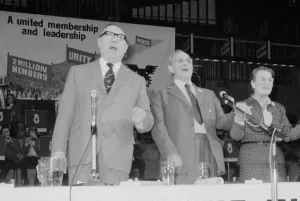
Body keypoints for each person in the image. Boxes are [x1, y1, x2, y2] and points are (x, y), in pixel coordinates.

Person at [51, 24, 154, 185]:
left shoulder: (137, 81)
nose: (114, 39)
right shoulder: (77, 73)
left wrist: (142, 119)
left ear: (126, 48)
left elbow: (148, 120)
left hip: (118, 159)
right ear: (99, 42)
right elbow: (64, 116)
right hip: (81, 156)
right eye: (109, 35)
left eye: (120, 38)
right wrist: (58, 150)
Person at [151, 50, 234, 184]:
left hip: (209, 150)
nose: (185, 63)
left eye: (189, 61)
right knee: (183, 198)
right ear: (170, 68)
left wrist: (237, 115)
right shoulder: (160, 94)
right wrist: (170, 153)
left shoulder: (209, 94)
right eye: (180, 60)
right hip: (180, 152)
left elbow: (221, 123)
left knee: (208, 199)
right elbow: (158, 127)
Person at [230, 66, 300, 182]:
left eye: (270, 80)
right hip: (251, 162)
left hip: (276, 162)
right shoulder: (241, 105)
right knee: (254, 199)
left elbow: (287, 135)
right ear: (253, 84)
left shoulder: (279, 108)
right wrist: (239, 117)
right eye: (263, 79)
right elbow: (236, 135)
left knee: (278, 199)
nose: (267, 83)